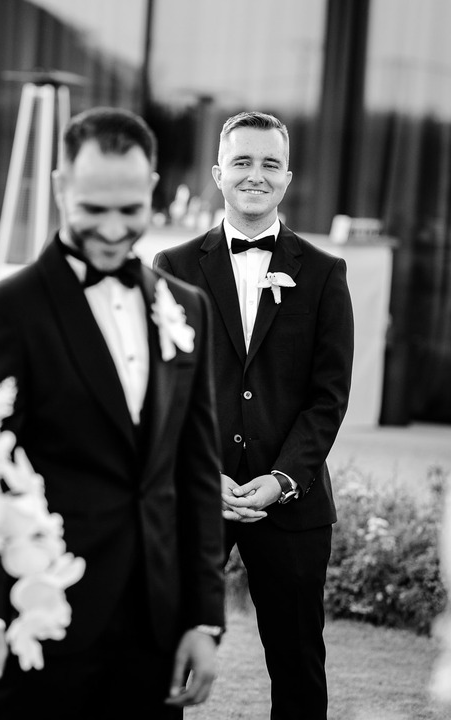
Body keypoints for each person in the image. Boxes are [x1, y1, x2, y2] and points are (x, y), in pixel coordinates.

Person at [0, 107, 225, 719]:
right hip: (42, 618)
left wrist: (203, 619)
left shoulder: (188, 309)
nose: (110, 229)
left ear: (152, 189)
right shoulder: (7, 309)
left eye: (129, 211)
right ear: (58, 189)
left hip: (154, 628)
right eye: (92, 209)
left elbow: (196, 474)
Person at [153, 110, 354, 719]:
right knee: (165, 656)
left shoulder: (324, 274)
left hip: (289, 504)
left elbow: (329, 396)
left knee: (296, 662)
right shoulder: (171, 266)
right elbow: (164, 390)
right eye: (242, 161)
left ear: (287, 178)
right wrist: (202, 474)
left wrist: (282, 479)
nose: (256, 175)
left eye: (270, 164)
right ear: (219, 173)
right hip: (194, 500)